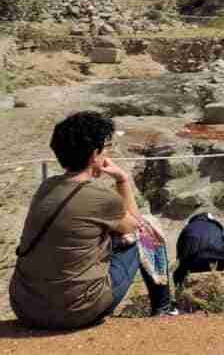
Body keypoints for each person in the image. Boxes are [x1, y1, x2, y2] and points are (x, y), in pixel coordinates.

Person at [10, 112, 176, 330]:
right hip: (76, 312)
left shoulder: (46, 187)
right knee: (147, 230)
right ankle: (164, 309)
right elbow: (135, 225)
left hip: (26, 307)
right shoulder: (100, 198)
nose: (108, 152)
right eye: (106, 147)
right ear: (94, 153)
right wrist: (122, 179)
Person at [173, 212, 224, 289]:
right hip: (220, 262)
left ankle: (181, 296)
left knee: (177, 274)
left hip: (194, 264)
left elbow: (180, 256)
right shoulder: (215, 227)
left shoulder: (187, 228)